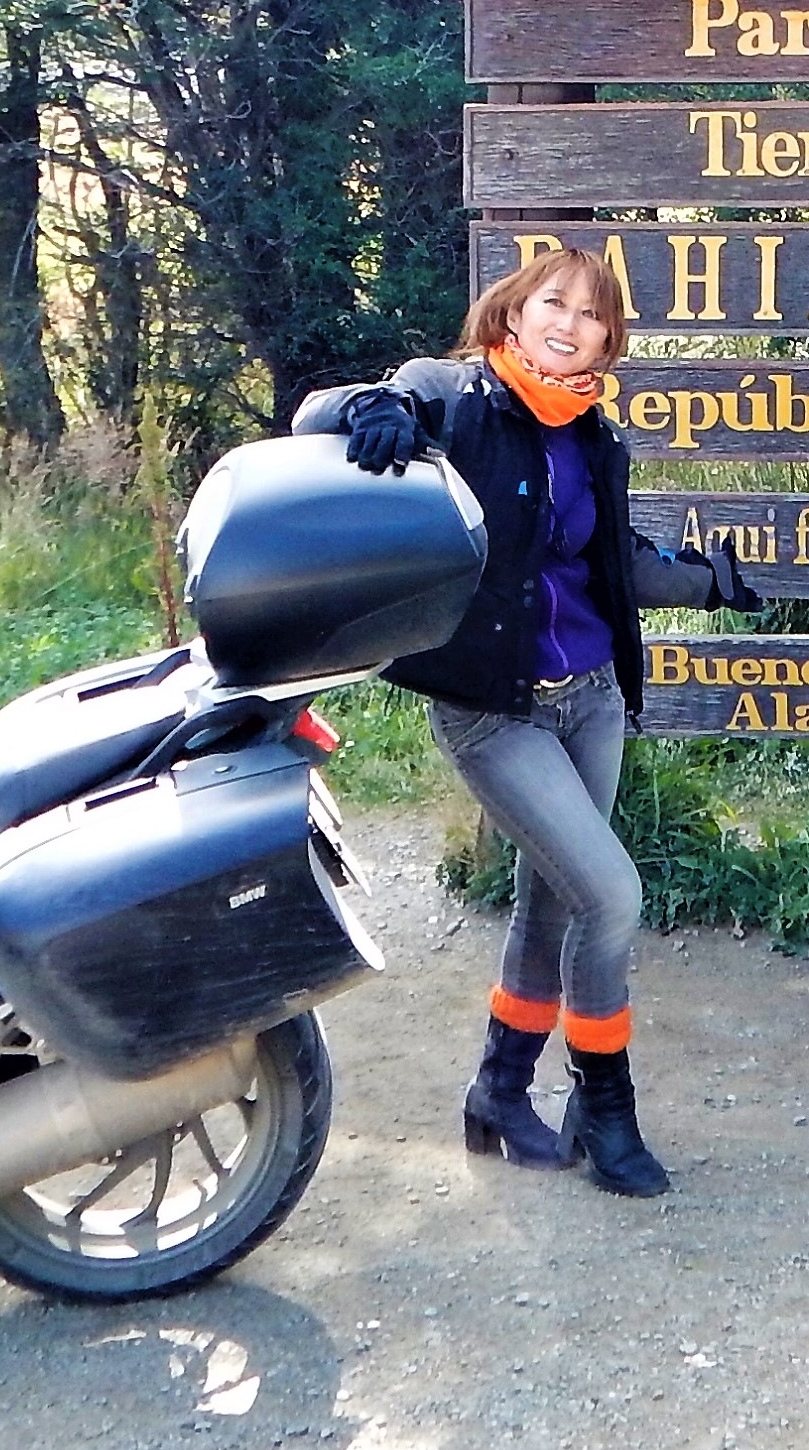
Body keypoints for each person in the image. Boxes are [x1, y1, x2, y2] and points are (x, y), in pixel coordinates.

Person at [294, 248, 764, 1197]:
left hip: (589, 698)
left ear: (607, 339)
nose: (570, 322)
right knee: (612, 895)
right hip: (492, 711)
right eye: (554, 302)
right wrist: (369, 410)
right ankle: (607, 1108)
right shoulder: (455, 397)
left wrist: (707, 580)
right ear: (513, 315)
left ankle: (500, 1094)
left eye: (592, 315)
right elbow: (320, 410)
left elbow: (611, 561)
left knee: (552, 900)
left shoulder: (593, 433)